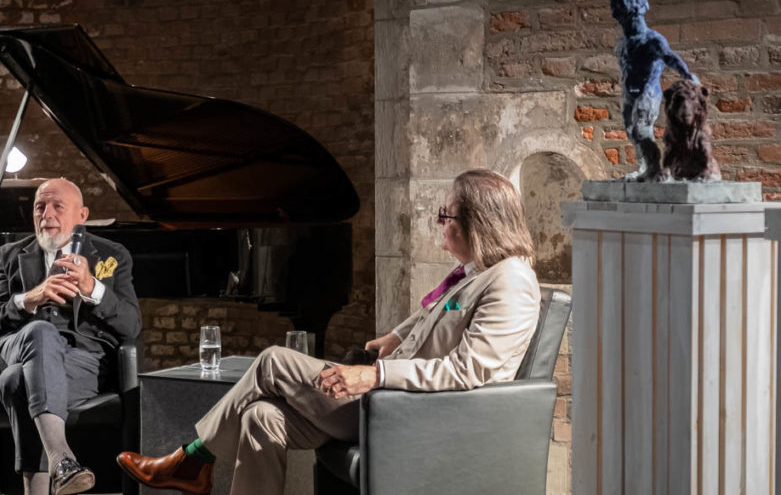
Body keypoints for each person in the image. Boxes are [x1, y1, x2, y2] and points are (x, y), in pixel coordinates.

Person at [116, 168, 541, 495]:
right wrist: (397, 336)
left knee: (273, 362)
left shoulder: (511, 281)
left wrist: (374, 375)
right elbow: (443, 310)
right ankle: (193, 469)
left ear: (478, 221)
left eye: (446, 215)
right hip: (396, 403)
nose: (439, 223)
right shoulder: (478, 273)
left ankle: (190, 461)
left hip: (419, 415)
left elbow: (469, 371)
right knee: (260, 417)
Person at [0, 178, 141, 495]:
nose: (46, 214)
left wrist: (93, 288)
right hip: (20, 346)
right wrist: (29, 298)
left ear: (82, 215)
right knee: (40, 330)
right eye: (40, 206)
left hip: (81, 361)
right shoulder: (9, 255)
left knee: (15, 382)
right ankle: (62, 459)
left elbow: (131, 325)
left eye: (57, 206)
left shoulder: (112, 254)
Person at [610, 0, 698, 182]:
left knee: (642, 130)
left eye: (620, 12)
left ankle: (653, 168)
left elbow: (670, 57)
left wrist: (687, 75)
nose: (615, 15)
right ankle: (644, 167)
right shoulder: (624, 42)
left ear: (633, 11)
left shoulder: (652, 40)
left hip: (647, 93)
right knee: (632, 132)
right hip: (629, 94)